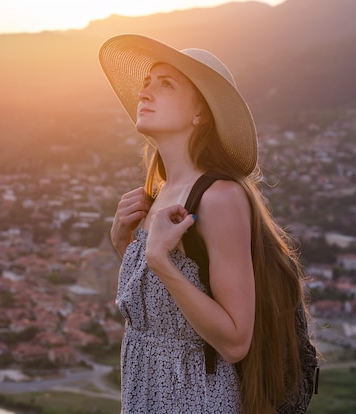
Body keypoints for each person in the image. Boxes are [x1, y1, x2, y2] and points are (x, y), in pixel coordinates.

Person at [99, 34, 313, 413]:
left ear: (201, 113)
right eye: (146, 83)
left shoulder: (218, 198)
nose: (144, 93)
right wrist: (125, 244)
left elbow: (234, 342)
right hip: (144, 397)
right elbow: (162, 308)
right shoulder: (159, 193)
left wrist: (160, 261)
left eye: (165, 85)